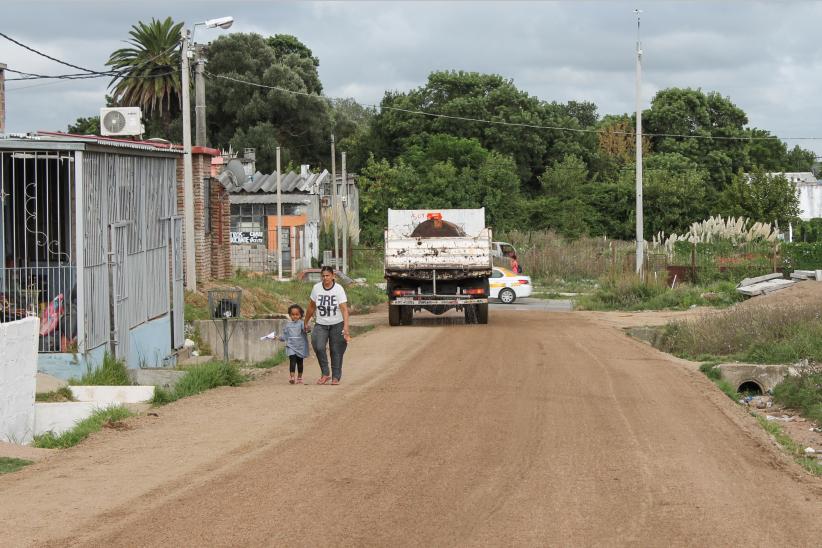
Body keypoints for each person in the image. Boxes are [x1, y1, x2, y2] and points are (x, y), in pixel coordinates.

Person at [304, 265, 351, 385]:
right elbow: (311, 306)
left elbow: (344, 309)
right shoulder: (316, 288)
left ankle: (336, 377)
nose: (325, 278)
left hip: (337, 324)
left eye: (327, 275)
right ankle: (325, 373)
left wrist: (346, 327)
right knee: (318, 346)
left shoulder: (338, 289)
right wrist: (306, 321)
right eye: (323, 276)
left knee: (336, 350)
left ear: (333, 276)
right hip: (321, 324)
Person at [280, 304, 309, 384]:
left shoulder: (302, 324)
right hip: (291, 346)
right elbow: (285, 337)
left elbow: (306, 330)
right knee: (292, 361)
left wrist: (308, 329)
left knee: (300, 363)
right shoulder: (288, 325)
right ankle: (292, 377)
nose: (295, 316)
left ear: (300, 315)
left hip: (300, 347)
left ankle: (299, 378)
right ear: (290, 315)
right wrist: (277, 337)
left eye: (297, 314)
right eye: (293, 314)